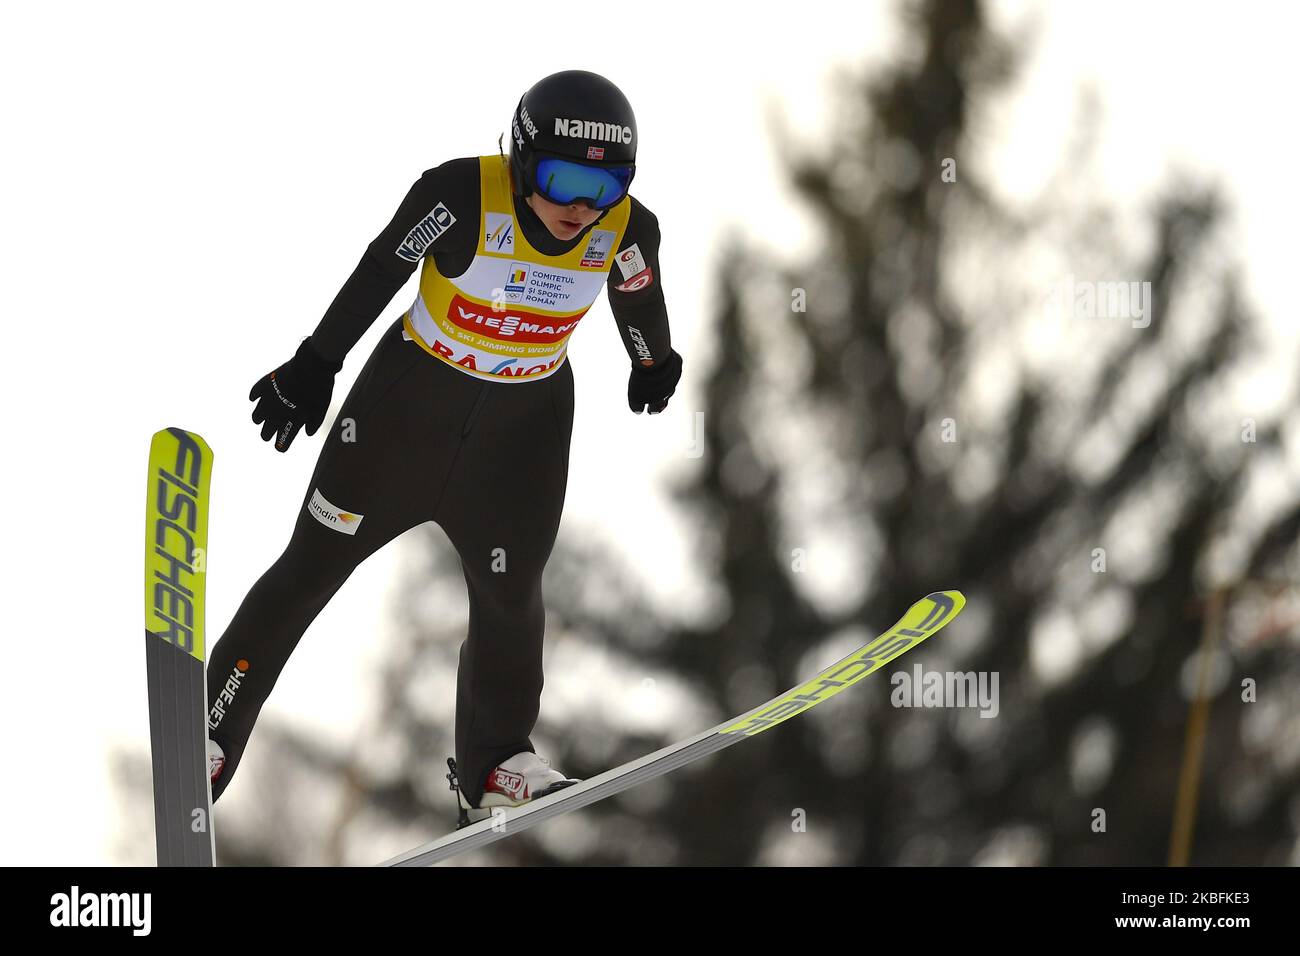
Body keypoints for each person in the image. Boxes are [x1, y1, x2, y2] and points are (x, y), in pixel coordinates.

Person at [204, 70, 682, 821]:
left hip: (519, 438)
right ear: (525, 160)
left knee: (511, 595)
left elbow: (639, 296)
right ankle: (213, 729)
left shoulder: (624, 231)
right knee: (311, 566)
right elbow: (381, 268)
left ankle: (498, 764)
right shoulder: (462, 196)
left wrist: (653, 360)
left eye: (607, 187)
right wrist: (315, 363)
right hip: (401, 419)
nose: (582, 208)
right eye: (561, 180)